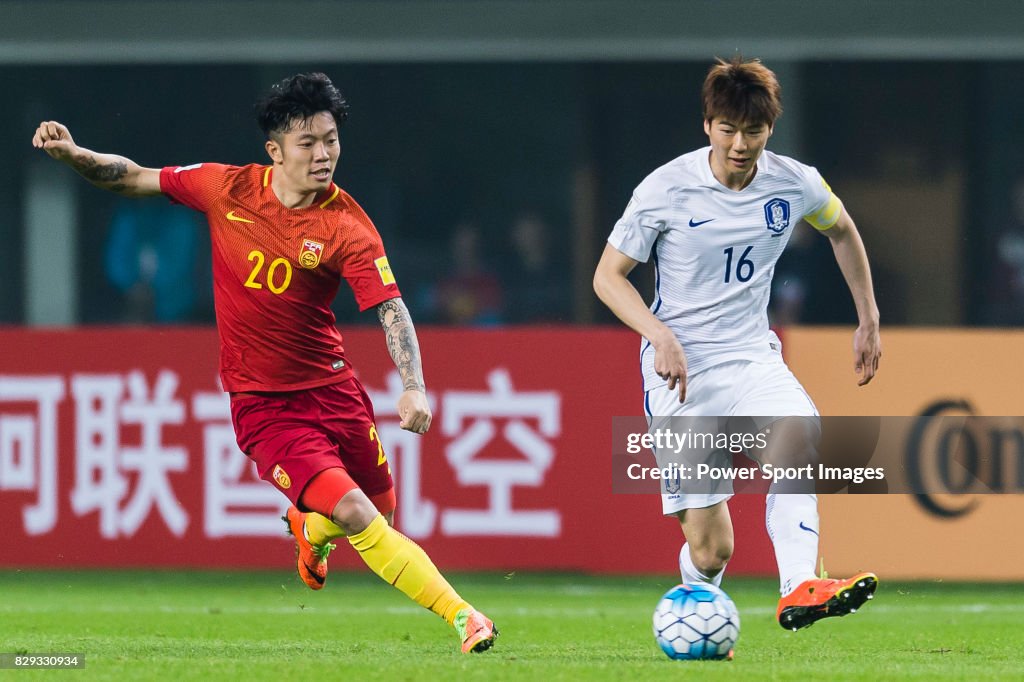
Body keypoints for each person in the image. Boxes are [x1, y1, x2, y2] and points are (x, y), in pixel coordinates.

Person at [32, 72, 497, 654]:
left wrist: (414, 387)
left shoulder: (346, 227)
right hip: (264, 405)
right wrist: (75, 155)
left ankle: (308, 526)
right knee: (357, 513)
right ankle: (463, 616)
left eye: (331, 139)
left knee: (379, 511)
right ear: (274, 151)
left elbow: (391, 309)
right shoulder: (225, 189)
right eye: (308, 143)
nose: (324, 154)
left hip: (334, 391)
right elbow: (130, 177)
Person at [593, 56, 882, 631]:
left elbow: (842, 228)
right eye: (727, 130)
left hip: (752, 356)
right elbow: (607, 276)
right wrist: (658, 333)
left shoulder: (795, 182)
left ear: (770, 129)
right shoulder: (665, 189)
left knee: (800, 435)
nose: (740, 144)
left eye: (753, 131)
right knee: (712, 551)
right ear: (707, 126)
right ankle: (692, 609)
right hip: (681, 374)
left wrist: (868, 317)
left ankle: (798, 585)